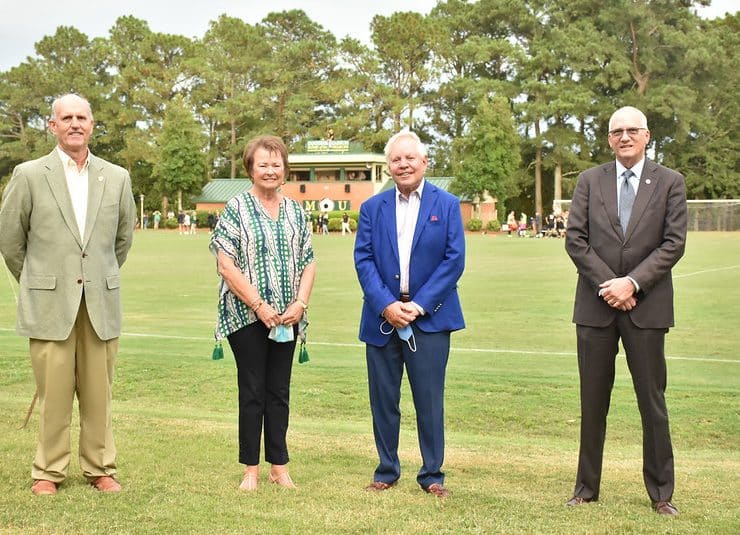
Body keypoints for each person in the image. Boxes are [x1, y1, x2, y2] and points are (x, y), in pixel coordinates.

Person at [0, 93, 136, 496]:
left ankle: (100, 468)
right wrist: (40, 280)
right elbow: (10, 241)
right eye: (67, 117)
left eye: (82, 117)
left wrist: (95, 275)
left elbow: (122, 240)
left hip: (100, 304)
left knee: (99, 396)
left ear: (92, 125)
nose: (75, 123)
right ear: (52, 125)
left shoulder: (116, 177)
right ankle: (48, 471)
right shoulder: (28, 174)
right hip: (48, 304)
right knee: (54, 396)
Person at [564, 106, 687, 516]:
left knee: (652, 403)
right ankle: (585, 487)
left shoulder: (670, 182)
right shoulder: (588, 181)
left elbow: (673, 243)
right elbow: (576, 241)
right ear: (609, 139)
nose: (625, 137)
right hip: (595, 309)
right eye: (617, 131)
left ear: (647, 135)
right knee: (592, 401)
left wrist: (631, 283)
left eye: (632, 130)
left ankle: (661, 493)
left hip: (647, 309)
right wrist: (610, 286)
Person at [354, 131, 465, 499]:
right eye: (396, 159)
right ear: (389, 165)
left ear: (424, 162)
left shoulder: (446, 204)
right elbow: (364, 259)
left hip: (429, 320)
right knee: (383, 400)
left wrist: (417, 306)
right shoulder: (372, 208)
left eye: (410, 158)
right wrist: (387, 304)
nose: (403, 164)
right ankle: (386, 470)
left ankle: (432, 474)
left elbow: (453, 261)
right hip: (382, 318)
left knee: (429, 400)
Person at [210, 135, 315, 491]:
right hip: (247, 317)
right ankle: (250, 470)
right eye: (263, 164)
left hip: (288, 317)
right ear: (250, 169)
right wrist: (259, 305)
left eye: (276, 164)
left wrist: (299, 304)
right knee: (253, 389)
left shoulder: (296, 211)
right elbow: (226, 264)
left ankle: (279, 466)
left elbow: (308, 261)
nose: (270, 170)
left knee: (279, 391)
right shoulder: (236, 208)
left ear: (285, 169)